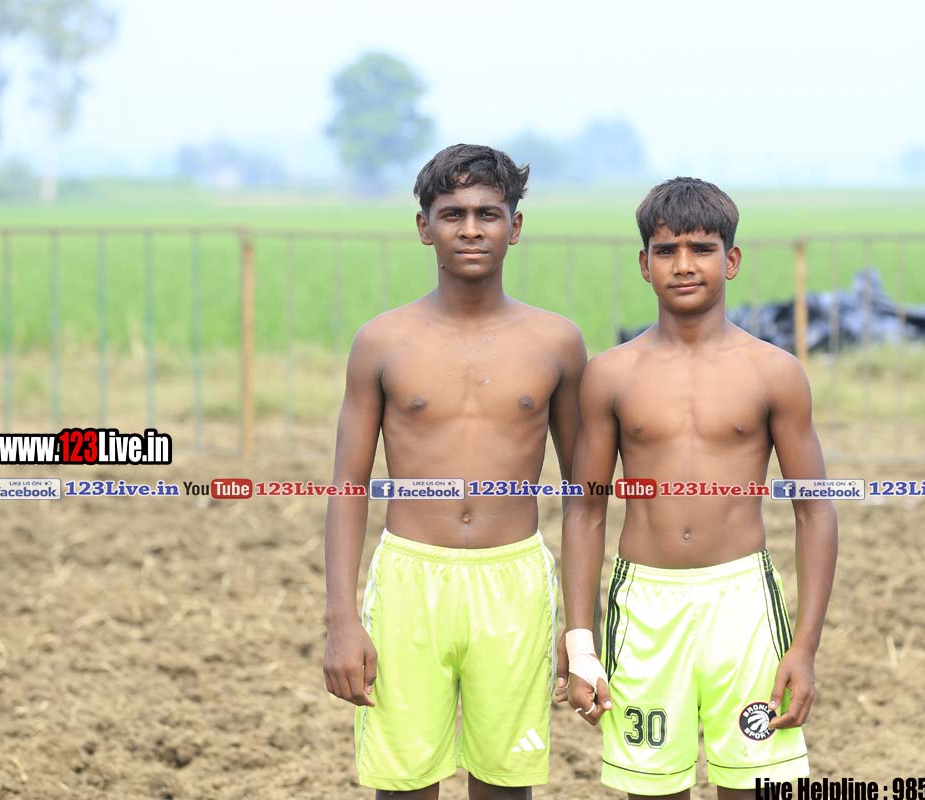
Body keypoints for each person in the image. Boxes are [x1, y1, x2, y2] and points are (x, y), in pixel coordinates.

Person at [322, 144, 587, 800]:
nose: (471, 229)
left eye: (487, 214)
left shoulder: (556, 342)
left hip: (514, 580)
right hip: (409, 578)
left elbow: (584, 496)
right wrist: (341, 618)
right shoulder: (381, 342)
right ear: (424, 227)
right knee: (404, 784)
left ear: (514, 227)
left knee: (505, 784)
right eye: (453, 214)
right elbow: (348, 487)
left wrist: (580, 629)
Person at [561, 177, 838, 797]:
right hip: (643, 604)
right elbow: (584, 511)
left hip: (743, 601)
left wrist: (804, 648)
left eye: (701, 249)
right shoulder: (609, 375)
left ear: (730, 260)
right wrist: (580, 643)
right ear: (644, 264)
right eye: (666, 250)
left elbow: (815, 512)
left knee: (754, 784)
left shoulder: (774, 372)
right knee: (652, 788)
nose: (684, 265)